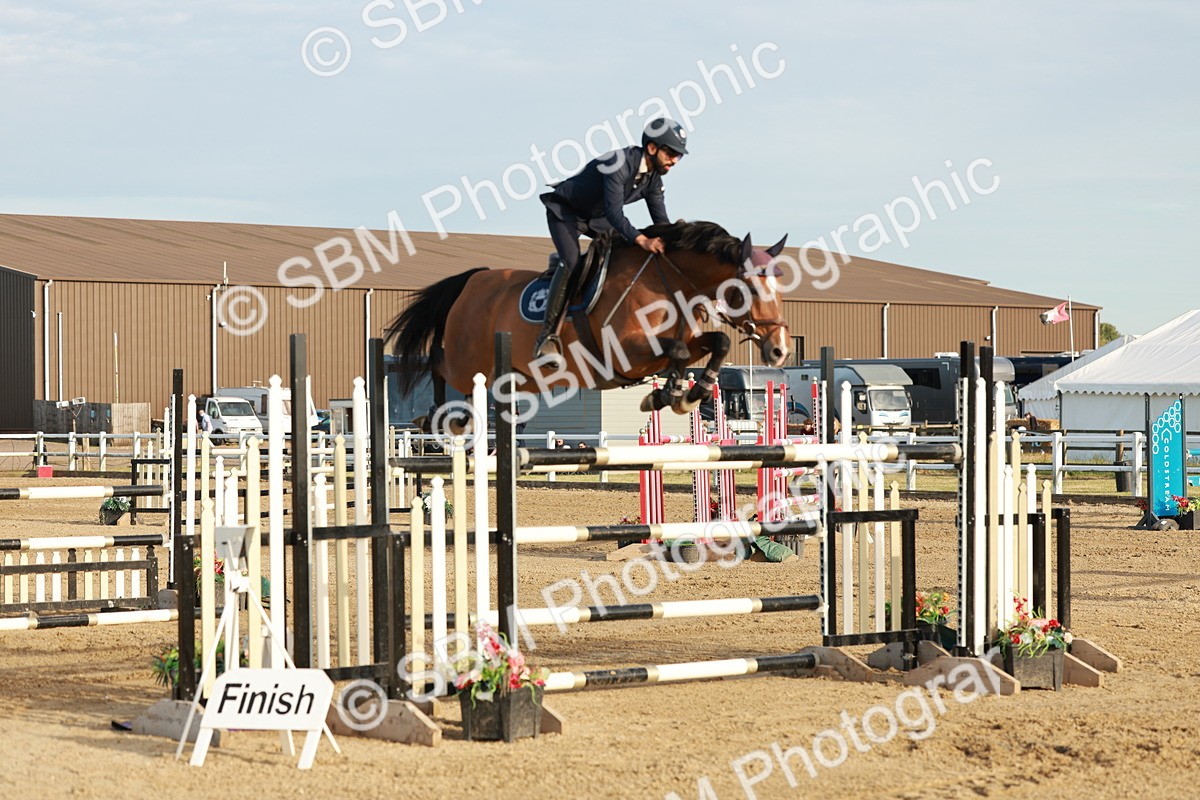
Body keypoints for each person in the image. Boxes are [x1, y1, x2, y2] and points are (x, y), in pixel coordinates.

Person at [533, 118, 689, 364]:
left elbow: (662, 224)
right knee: (572, 262)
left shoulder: (653, 181)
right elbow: (616, 214)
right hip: (567, 214)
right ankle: (547, 337)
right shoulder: (618, 163)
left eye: (679, 155)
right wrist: (641, 239)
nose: (675, 160)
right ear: (651, 148)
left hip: (598, 219)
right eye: (671, 153)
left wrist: (678, 236)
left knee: (625, 255)